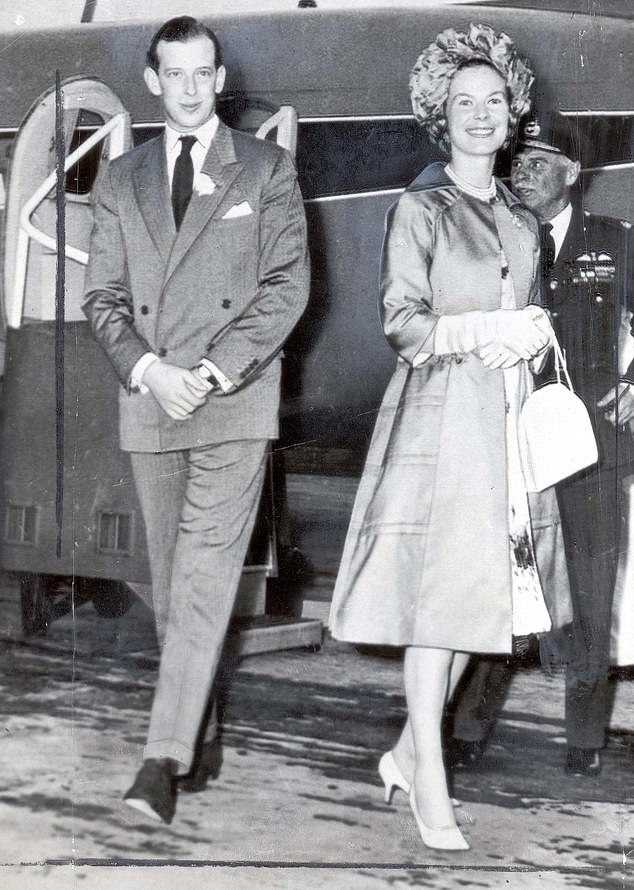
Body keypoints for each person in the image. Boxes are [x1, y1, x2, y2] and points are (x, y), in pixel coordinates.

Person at [329, 24, 570, 852]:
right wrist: (484, 330)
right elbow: (403, 323)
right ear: (442, 115)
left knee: (484, 605)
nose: (479, 114)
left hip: (503, 422)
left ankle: (402, 752)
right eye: (463, 102)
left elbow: (527, 315)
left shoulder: (521, 218)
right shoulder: (419, 208)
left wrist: (530, 332)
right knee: (441, 606)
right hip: (441, 419)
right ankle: (429, 771)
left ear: (512, 116)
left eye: (492, 101)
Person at [82, 16, 309, 824]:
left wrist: (209, 372)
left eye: (201, 73)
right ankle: (199, 722)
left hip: (232, 401)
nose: (187, 87)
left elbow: (286, 287)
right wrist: (152, 370)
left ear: (220, 79)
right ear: (153, 80)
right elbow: (102, 298)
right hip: (152, 402)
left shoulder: (265, 168)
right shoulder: (120, 179)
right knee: (178, 591)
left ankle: (160, 760)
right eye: (172, 73)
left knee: (207, 583)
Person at [450, 112, 634, 778]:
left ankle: (585, 740)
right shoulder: (496, 241)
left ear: (572, 173)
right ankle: (468, 726)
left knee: (588, 593)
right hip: (510, 452)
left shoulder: (616, 243)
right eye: (516, 161)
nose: (520, 171)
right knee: (503, 593)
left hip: (593, 453)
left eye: (537, 160)